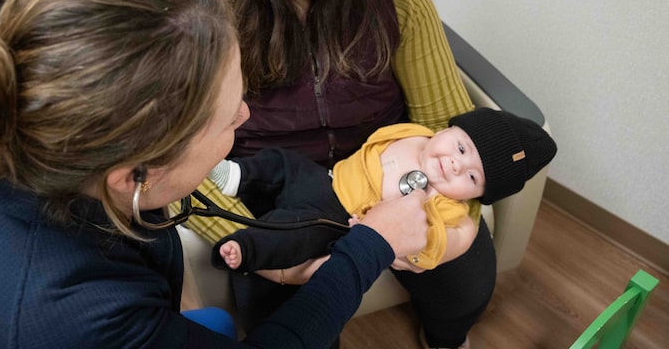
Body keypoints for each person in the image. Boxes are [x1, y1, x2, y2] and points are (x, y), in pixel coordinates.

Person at [0, 0, 431, 349]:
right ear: (134, 174)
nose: (246, 115)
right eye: (229, 120)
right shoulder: (85, 322)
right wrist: (371, 244)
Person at [182, 0, 505, 349]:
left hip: (391, 175)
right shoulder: (204, 20)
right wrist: (262, 248)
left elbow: (448, 120)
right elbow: (173, 167)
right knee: (288, 328)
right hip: (281, 202)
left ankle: (448, 340)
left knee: (468, 259)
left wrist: (427, 207)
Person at [210, 108, 557, 275]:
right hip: (325, 180)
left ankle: (245, 247)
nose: (454, 165)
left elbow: (428, 251)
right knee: (284, 162)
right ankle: (240, 175)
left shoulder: (449, 211)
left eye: (471, 177)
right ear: (447, 129)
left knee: (293, 230)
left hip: (335, 223)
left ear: (476, 196)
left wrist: (396, 244)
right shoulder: (413, 134)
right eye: (461, 149)